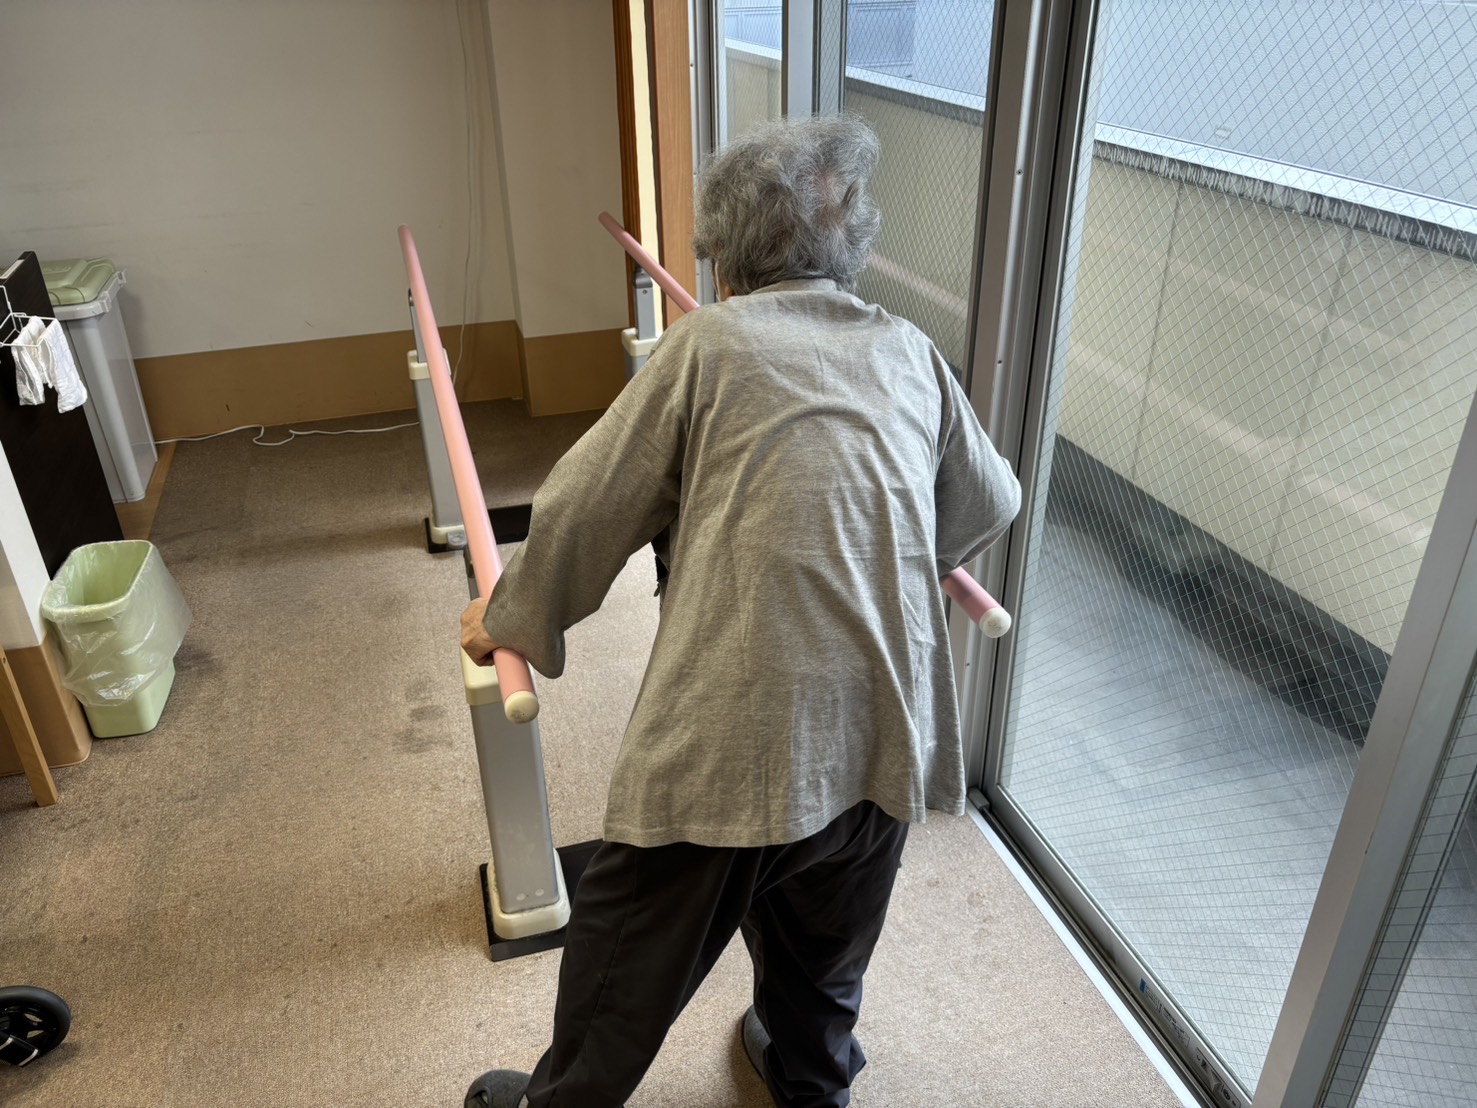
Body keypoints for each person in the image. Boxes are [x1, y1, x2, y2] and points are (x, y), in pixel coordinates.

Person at [458, 114, 1020, 1108]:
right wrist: (888, 551)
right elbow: (988, 500)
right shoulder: (909, 350)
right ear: (852, 248)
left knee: (623, 960)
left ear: (722, 260)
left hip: (734, 741)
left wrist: (513, 618)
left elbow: (586, 505)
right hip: (883, 734)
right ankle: (807, 1078)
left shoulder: (707, 345)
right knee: (823, 942)